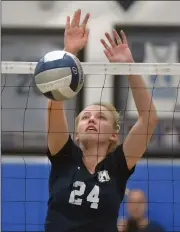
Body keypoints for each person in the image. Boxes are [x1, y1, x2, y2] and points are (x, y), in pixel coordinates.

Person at [45, 9, 158, 232]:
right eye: (85, 116)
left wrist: (129, 68)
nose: (91, 120)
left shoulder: (117, 165)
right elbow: (54, 103)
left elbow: (148, 119)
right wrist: (69, 53)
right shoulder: (64, 156)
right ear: (76, 132)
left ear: (114, 134)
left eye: (100, 117)